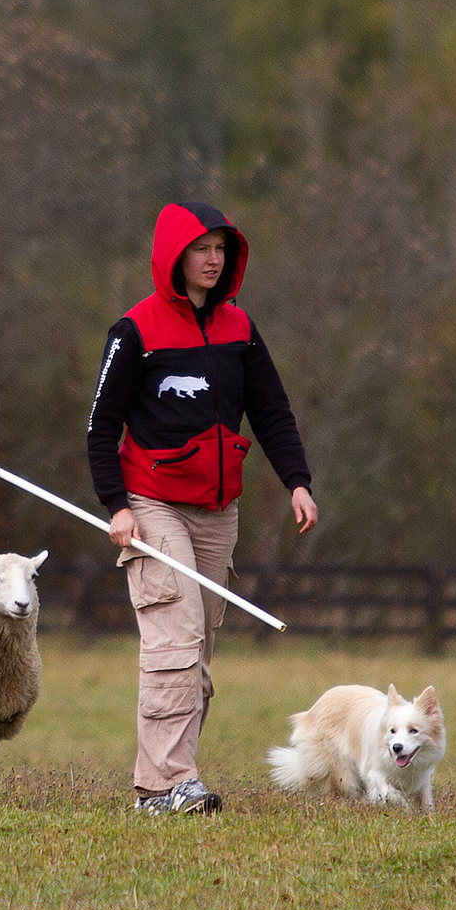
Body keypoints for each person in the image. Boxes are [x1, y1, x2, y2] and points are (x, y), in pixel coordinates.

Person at [86, 201, 316, 815]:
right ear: (174, 256)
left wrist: (297, 481)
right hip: (151, 502)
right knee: (176, 638)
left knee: (199, 651)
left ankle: (165, 784)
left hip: (218, 509)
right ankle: (167, 784)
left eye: (220, 248)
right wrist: (117, 506)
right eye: (200, 249)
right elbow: (101, 426)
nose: (213, 259)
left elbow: (271, 410)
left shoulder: (240, 328)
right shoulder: (136, 331)